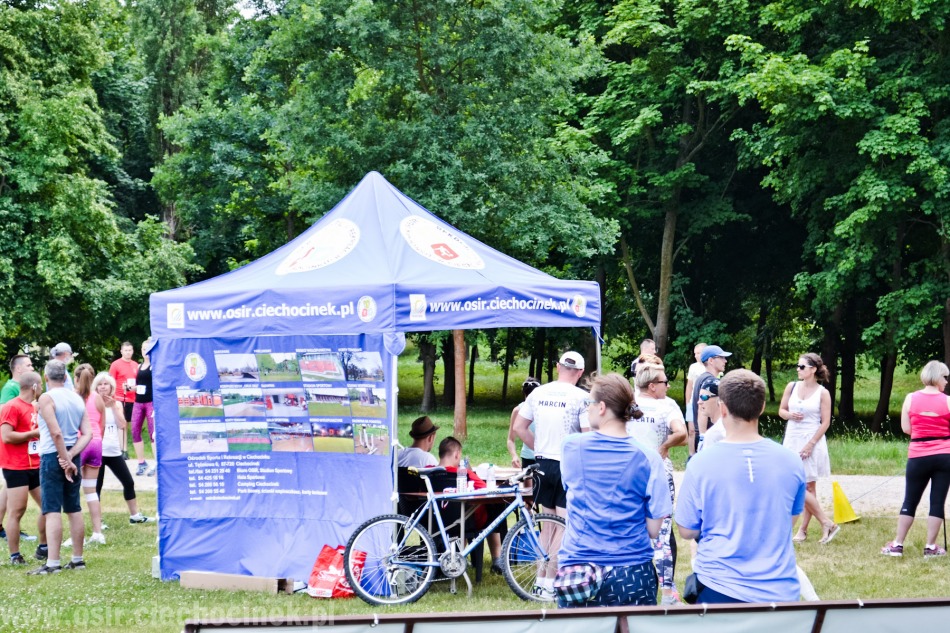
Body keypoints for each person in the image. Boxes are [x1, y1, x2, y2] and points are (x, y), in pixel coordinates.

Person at [677, 369, 806, 603]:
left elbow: (686, 530)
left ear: (723, 408)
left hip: (719, 587)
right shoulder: (791, 461)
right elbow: (789, 519)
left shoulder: (700, 463)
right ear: (762, 407)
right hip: (779, 590)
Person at [556, 373, 671, 607]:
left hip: (579, 570)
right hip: (632, 571)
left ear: (601, 407)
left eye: (589, 403)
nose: (587, 408)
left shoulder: (571, 447)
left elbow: (570, 491)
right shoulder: (648, 457)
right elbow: (653, 529)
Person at [512, 351, 589, 596]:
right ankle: (551, 583)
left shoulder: (538, 393)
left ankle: (539, 580)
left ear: (557, 367)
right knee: (563, 525)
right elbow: (587, 435)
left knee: (547, 525)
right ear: (580, 372)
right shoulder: (582, 397)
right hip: (567, 464)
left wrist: (538, 448)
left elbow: (519, 427)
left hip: (542, 463)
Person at [631, 360, 687, 605]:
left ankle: (637, 586)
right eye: (665, 382)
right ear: (653, 386)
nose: (668, 386)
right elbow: (682, 434)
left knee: (633, 529)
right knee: (662, 535)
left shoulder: (628, 403)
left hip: (631, 475)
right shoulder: (667, 406)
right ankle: (667, 593)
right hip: (659, 476)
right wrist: (664, 446)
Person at [881, 360, 950, 558]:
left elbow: (906, 428)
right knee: (937, 501)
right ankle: (930, 547)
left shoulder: (910, 398)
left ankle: (897, 544)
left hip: (918, 455)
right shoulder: (948, 401)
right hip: (944, 455)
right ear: (937, 377)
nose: (946, 381)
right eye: (945, 377)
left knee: (910, 499)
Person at [29, 360, 92, 574]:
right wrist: (71, 456)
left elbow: (55, 433)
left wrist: (64, 459)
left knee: (52, 509)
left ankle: (53, 563)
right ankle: (77, 559)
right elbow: (88, 433)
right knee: (74, 507)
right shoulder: (76, 398)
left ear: (46, 377)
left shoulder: (46, 398)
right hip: (73, 454)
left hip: (52, 456)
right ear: (65, 377)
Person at [779, 353, 838, 544]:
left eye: (802, 366)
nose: (798, 369)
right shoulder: (791, 386)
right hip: (792, 439)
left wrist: (811, 444)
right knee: (793, 483)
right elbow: (781, 410)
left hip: (811, 439)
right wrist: (789, 415)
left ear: (813, 369)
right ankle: (826, 522)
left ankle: (803, 529)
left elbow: (826, 422)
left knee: (808, 486)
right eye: (798, 366)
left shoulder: (823, 393)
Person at [92, 373, 153, 524]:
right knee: (96, 487)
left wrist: (113, 407)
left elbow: (122, 425)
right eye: (100, 384)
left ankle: (135, 515)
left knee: (128, 482)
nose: (103, 387)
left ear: (111, 387)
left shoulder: (117, 404)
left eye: (106, 384)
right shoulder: (92, 403)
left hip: (113, 451)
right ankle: (98, 521)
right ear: (96, 387)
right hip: (98, 451)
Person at [0, 371, 47, 564]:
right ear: (34, 387)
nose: (42, 389)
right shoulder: (12, 406)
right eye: (41, 385)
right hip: (15, 466)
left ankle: (44, 547)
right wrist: (33, 433)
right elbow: (6, 436)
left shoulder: (35, 407)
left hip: (35, 463)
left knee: (48, 505)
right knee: (17, 510)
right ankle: (15, 555)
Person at [437, 436, 502, 573]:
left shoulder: (428, 472)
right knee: (496, 507)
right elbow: (486, 489)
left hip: (436, 520)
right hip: (464, 520)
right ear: (457, 455)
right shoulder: (464, 473)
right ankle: (497, 558)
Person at [66, 364, 106, 546]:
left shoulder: (72, 397)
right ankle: (98, 532)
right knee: (91, 491)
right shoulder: (98, 398)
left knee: (72, 492)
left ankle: (75, 535)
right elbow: (102, 425)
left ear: (76, 378)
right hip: (96, 443)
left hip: (80, 443)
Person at [0, 353, 36, 544]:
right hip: (13, 452)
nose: (32, 368)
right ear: (19, 368)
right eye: (29, 365)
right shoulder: (11, 389)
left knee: (9, 489)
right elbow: (4, 415)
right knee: (11, 493)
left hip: (26, 454)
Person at [688, 345, 731, 457]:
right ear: (711, 360)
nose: (725, 361)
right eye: (721, 357)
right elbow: (702, 409)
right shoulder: (710, 382)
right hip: (709, 436)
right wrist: (703, 436)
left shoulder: (702, 378)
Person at [131, 339, 156, 476]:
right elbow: (139, 385)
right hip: (138, 402)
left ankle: (157, 463)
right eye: (143, 348)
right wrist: (131, 388)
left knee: (153, 433)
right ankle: (141, 462)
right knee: (135, 430)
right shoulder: (139, 366)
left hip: (151, 402)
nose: (145, 351)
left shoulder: (155, 365)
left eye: (147, 348)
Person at [506, 377, 541, 469]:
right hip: (528, 457)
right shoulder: (518, 410)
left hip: (544, 457)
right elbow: (510, 439)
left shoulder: (545, 409)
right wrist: (514, 456)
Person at [108, 342, 139, 429]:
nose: (128, 352)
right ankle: (119, 436)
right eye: (126, 350)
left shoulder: (136, 365)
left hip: (132, 398)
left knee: (128, 422)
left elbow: (139, 382)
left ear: (132, 351)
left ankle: (125, 436)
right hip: (119, 398)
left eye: (129, 350)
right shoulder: (115, 364)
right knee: (120, 422)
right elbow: (110, 381)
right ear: (121, 351)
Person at [697, 379, 726, 449]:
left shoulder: (715, 433)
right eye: (699, 397)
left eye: (704, 397)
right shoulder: (731, 425)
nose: (699, 402)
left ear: (719, 400)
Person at [684, 343, 707, 428]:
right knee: (691, 430)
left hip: (705, 402)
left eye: (698, 353)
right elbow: (689, 386)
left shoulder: (711, 367)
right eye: (695, 353)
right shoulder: (693, 367)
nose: (695, 356)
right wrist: (688, 403)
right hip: (692, 402)